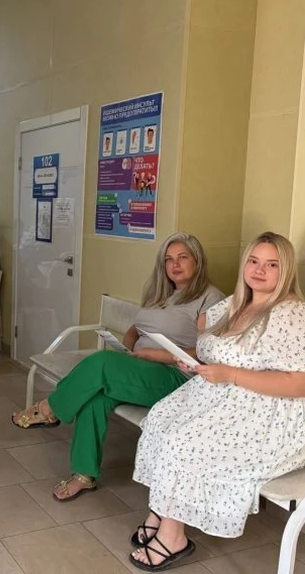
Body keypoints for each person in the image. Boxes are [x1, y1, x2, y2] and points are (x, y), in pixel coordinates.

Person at [129, 232, 305, 572]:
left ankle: (173, 537)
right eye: (254, 261)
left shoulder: (292, 315)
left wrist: (230, 375)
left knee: (184, 441)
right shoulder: (234, 304)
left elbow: (299, 383)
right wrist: (195, 362)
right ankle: (161, 510)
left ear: (286, 271)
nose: (260, 270)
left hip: (267, 414)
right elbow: (211, 346)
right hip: (217, 396)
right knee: (160, 421)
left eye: (272, 265)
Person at [10, 232, 224, 502]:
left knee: (101, 362)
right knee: (95, 398)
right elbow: (136, 328)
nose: (175, 265)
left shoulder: (210, 298)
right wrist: (129, 346)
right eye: (169, 259)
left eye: (183, 257)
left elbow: (207, 352)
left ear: (198, 260)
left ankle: (48, 409)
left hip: (176, 376)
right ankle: (84, 475)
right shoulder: (161, 292)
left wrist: (155, 355)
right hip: (142, 365)